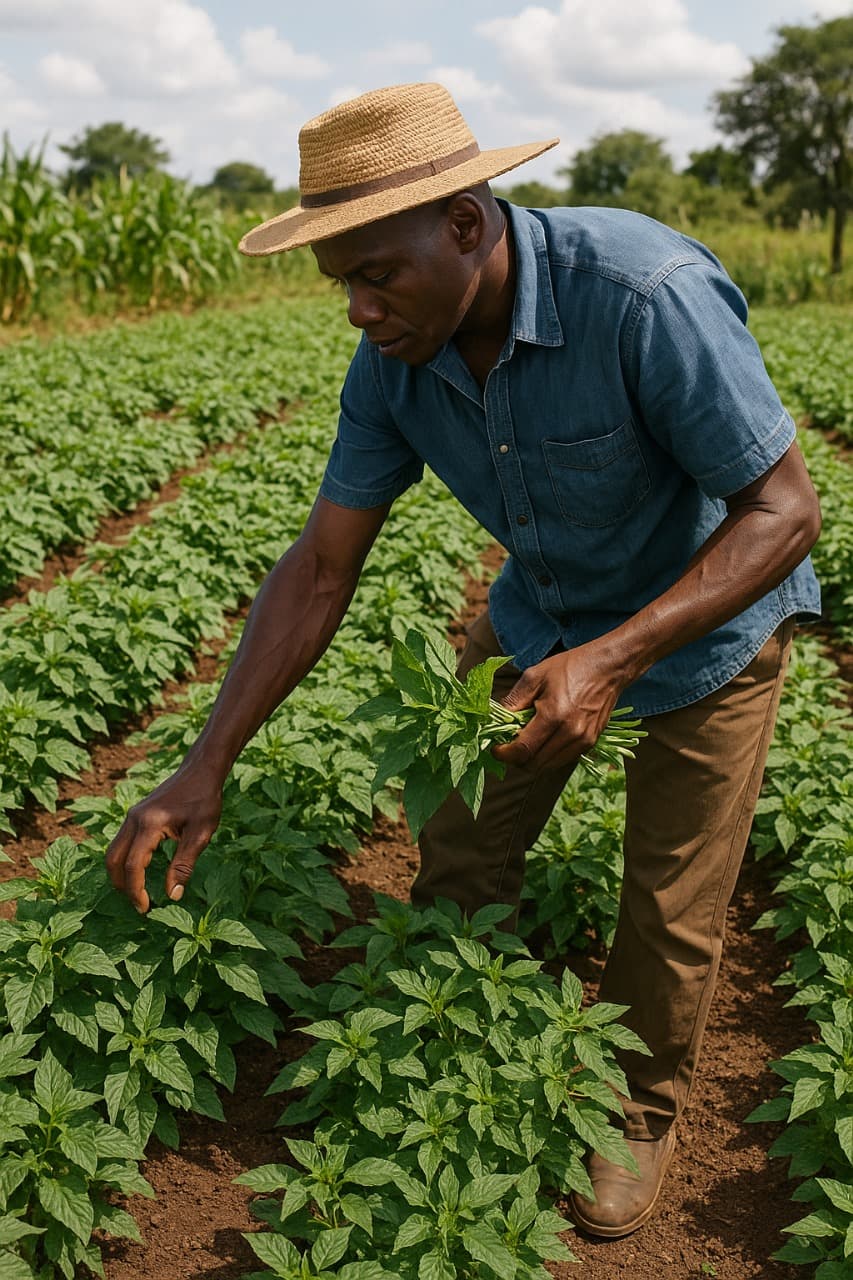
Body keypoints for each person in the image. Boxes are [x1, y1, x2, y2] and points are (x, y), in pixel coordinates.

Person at [105, 82, 822, 1239]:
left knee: (669, 901)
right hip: (540, 617)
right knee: (460, 839)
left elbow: (785, 511)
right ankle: (445, 1021)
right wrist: (205, 760)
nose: (356, 308)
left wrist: (618, 654)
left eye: (374, 271)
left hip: (706, 629)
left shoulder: (643, 295)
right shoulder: (391, 361)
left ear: (466, 224)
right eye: (339, 277)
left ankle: (635, 1105)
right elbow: (321, 566)